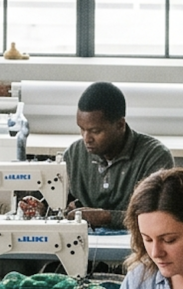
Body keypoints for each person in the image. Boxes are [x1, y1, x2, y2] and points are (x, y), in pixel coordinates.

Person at [61, 82, 174, 228]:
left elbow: (156, 216)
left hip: (137, 243)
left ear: (120, 125)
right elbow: (60, 199)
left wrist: (106, 217)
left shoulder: (155, 157)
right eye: (82, 129)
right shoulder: (73, 155)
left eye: (95, 131)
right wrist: (42, 205)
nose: (86, 138)